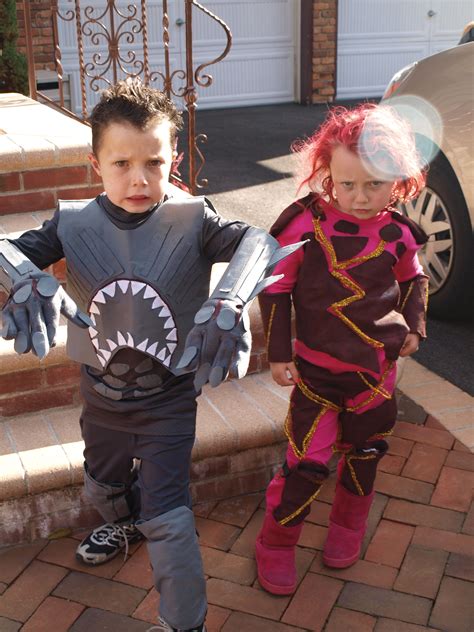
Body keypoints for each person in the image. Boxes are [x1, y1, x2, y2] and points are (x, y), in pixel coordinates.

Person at [0, 79, 301, 632]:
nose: (138, 179)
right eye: (121, 163)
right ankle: (125, 521)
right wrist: (20, 277)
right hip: (100, 400)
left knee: (169, 515)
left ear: (174, 159)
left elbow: (258, 241)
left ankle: (185, 622)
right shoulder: (73, 224)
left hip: (167, 404)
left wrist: (232, 295)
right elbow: (5, 246)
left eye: (154, 162)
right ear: (96, 163)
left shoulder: (195, 220)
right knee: (101, 487)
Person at [256, 103, 429, 595]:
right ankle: (276, 543)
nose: (358, 197)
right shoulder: (304, 225)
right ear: (326, 172)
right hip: (316, 374)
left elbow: (414, 279)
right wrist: (279, 352)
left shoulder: (398, 232)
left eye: (374, 184)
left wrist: (414, 326)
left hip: (375, 375)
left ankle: (348, 529)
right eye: (346, 183)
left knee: (366, 454)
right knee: (306, 464)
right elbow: (275, 289)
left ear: (397, 179)